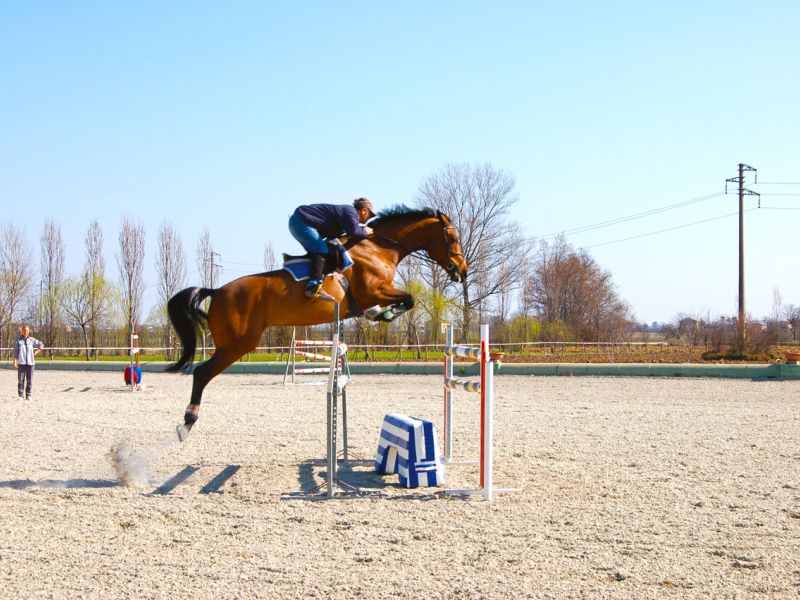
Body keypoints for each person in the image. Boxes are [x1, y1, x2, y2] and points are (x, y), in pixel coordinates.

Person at [289, 197, 376, 297]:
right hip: (301, 222)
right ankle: (313, 286)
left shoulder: (347, 218)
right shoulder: (350, 211)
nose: (368, 219)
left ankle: (312, 280)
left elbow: (348, 231)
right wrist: (366, 231)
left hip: (298, 222)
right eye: (370, 216)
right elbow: (354, 231)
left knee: (322, 252)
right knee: (321, 250)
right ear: (364, 210)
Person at [13, 324, 44, 400]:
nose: (25, 332)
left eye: (27, 330)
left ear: (28, 331)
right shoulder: (18, 340)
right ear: (22, 331)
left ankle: (28, 395)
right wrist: (14, 361)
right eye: (24, 330)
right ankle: (21, 395)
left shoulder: (32, 340)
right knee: (21, 380)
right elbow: (16, 352)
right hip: (21, 363)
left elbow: (41, 344)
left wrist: (36, 352)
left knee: (29, 380)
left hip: (31, 363)